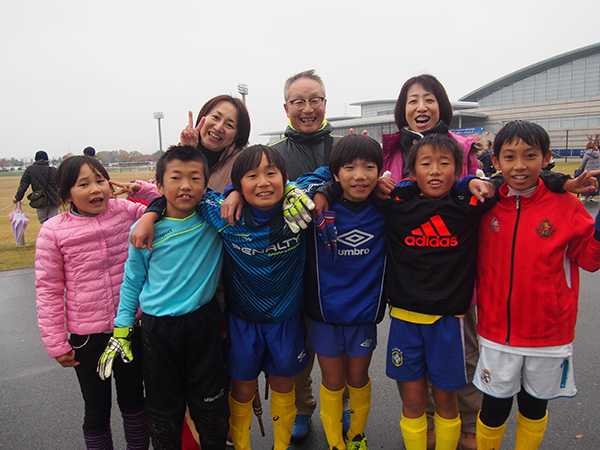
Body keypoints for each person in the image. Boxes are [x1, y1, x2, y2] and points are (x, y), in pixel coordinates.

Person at [132, 145, 311, 450]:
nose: (263, 182)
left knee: (283, 385)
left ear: (284, 178)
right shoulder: (226, 214)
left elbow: (325, 179)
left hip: (286, 320)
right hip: (243, 322)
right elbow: (187, 197)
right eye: (251, 176)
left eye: (271, 174)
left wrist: (294, 189)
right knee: (242, 390)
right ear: (239, 185)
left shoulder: (298, 211)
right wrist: (151, 213)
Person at [474, 121, 600, 450]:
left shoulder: (565, 204)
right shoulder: (485, 205)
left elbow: (589, 260)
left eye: (530, 155)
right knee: (493, 409)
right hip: (497, 332)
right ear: (495, 161)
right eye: (509, 156)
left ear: (546, 158)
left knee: (533, 407)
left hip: (547, 333)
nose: (520, 165)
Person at [377, 74, 481, 450]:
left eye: (429, 99)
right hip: (410, 293)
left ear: (442, 105)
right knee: (415, 385)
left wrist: (468, 183)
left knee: (462, 363)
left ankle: (468, 426)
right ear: (402, 109)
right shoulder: (391, 151)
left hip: (454, 289)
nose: (421, 107)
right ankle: (429, 428)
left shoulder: (463, 147)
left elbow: (486, 187)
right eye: (413, 100)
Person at [103, 145, 229, 450]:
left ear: (205, 184)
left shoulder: (215, 221)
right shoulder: (144, 230)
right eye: (176, 178)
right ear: (159, 185)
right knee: (164, 415)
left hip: (203, 325)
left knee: (211, 412)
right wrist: (122, 327)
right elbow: (132, 281)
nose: (186, 186)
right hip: (158, 330)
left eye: (195, 178)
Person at [34, 155, 153, 450]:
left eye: (100, 180)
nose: (95, 189)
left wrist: (140, 188)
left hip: (131, 328)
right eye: (84, 184)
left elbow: (165, 207)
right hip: (88, 338)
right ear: (66, 194)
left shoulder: (126, 211)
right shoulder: (53, 231)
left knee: (134, 401)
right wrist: (56, 343)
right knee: (97, 409)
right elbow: (48, 290)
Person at [270, 69, 346, 440]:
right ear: (286, 107)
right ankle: (303, 407)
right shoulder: (274, 155)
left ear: (325, 103)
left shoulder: (345, 148)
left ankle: (343, 404)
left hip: (341, 263)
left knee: (340, 343)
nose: (307, 108)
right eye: (298, 101)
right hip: (293, 265)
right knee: (299, 345)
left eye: (314, 99)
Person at [300, 134, 387, 450]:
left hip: (363, 313)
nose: (360, 176)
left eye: (369, 167)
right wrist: (325, 188)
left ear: (379, 171)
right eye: (349, 168)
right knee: (333, 381)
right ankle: (336, 442)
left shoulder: (387, 207)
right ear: (335, 174)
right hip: (326, 314)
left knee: (358, 379)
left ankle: (356, 437)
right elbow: (295, 185)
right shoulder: (319, 206)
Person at [179, 94, 251, 192]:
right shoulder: (174, 155)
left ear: (237, 135)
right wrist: (186, 152)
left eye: (229, 125)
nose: (218, 127)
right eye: (216, 117)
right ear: (203, 116)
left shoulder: (244, 165)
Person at [13, 150, 59, 224]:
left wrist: (18, 197)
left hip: (40, 199)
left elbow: (24, 185)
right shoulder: (54, 170)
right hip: (54, 199)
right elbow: (61, 184)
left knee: (43, 221)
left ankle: (46, 231)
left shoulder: (30, 169)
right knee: (53, 221)